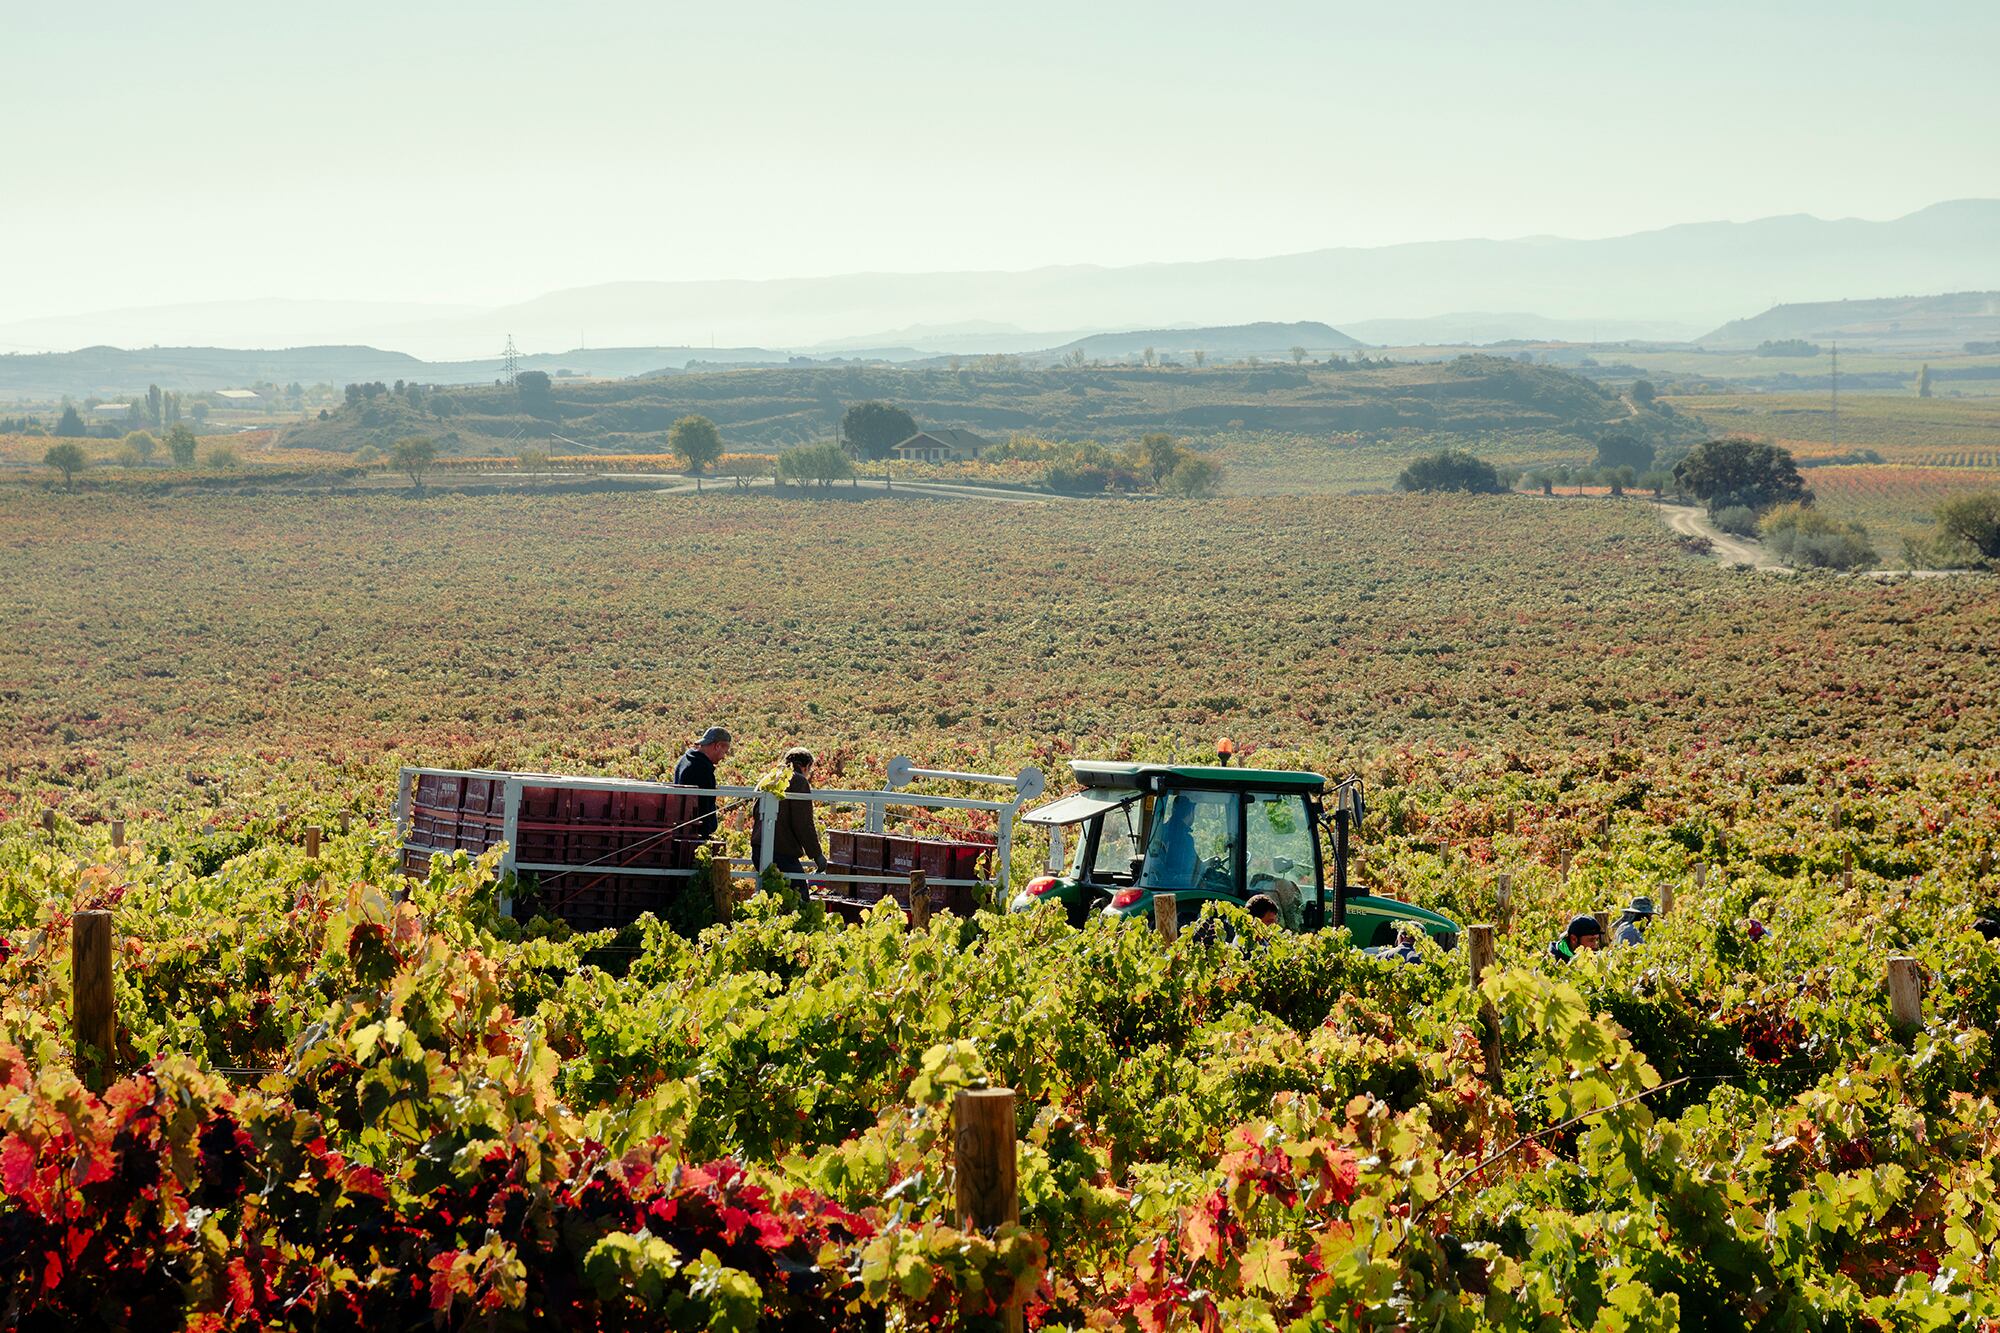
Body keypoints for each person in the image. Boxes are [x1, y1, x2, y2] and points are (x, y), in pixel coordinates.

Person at [773, 747, 827, 878]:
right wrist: (817, 855)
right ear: (806, 766)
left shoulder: (772, 776)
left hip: (760, 846)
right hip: (782, 849)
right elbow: (803, 822)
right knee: (800, 892)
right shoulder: (797, 780)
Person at [673, 726, 732, 839]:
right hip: (692, 834)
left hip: (682, 830)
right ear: (717, 746)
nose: (724, 756)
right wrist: (704, 838)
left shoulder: (685, 760)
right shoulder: (702, 771)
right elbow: (703, 811)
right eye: (725, 751)